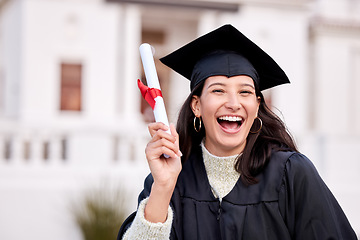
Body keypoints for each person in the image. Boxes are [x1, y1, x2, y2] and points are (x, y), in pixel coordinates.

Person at [117, 24, 357, 240]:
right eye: (219, 91)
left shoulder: (290, 173)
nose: (233, 103)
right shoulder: (170, 178)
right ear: (197, 106)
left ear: (257, 106)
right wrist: (163, 188)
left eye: (244, 92)